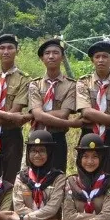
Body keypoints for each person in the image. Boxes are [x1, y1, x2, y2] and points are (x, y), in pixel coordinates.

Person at [0, 34, 33, 184]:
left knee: (10, 175)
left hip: (12, 134)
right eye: (2, 48)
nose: (6, 51)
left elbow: (15, 110)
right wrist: (7, 116)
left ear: (17, 51)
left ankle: (7, 205)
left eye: (10, 47)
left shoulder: (24, 79)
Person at [75, 39, 110, 177]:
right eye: (97, 57)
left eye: (105, 56)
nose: (101, 60)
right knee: (85, 176)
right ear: (92, 60)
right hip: (88, 134)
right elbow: (85, 111)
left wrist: (95, 116)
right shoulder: (83, 83)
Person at [28, 37, 80, 173]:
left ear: (62, 57)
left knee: (57, 175)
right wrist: (69, 123)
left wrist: (40, 114)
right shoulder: (35, 84)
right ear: (42, 58)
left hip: (57, 136)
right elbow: (37, 115)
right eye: (47, 53)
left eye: (56, 53)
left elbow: (64, 114)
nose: (51, 56)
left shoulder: (71, 85)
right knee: (33, 176)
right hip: (36, 136)